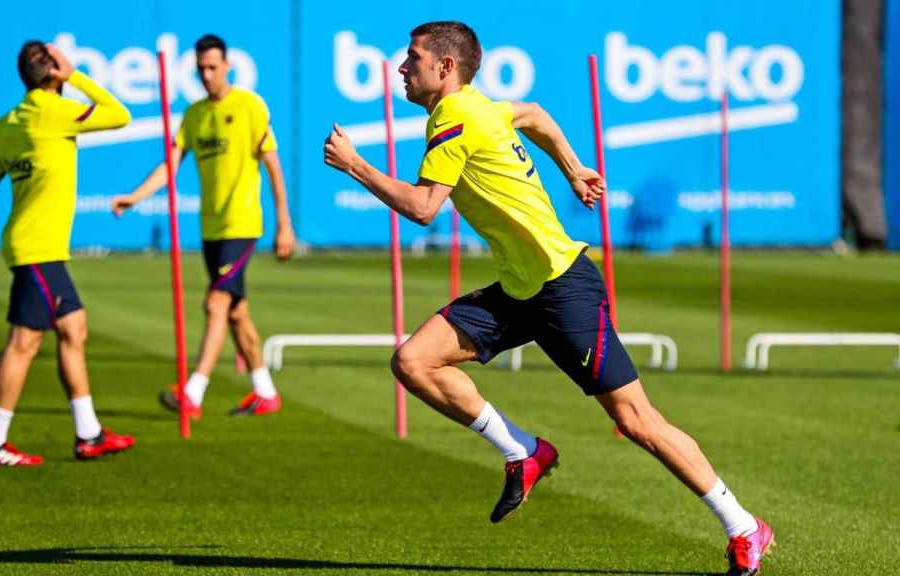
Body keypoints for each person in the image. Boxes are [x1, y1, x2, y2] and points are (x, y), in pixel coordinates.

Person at [323, 21, 774, 576]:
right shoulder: (480, 106)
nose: (401, 67)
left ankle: (743, 525)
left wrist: (356, 166)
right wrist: (573, 168)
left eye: (412, 57)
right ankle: (523, 451)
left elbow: (423, 208)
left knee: (636, 420)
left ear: (445, 67)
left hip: (564, 287)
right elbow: (533, 113)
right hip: (519, 289)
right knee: (414, 361)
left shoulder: (455, 115)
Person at [0, 41, 136, 466]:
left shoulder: (8, 122)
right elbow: (120, 115)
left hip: (29, 245)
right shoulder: (54, 112)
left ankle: (89, 433)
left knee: (74, 328)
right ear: (52, 73)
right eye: (58, 66)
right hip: (39, 249)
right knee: (23, 343)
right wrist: (76, 76)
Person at [111, 34, 295, 418]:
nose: (207, 75)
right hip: (211, 230)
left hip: (242, 224)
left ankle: (193, 391)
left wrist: (284, 224)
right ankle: (265, 392)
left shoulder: (249, 106)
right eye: (201, 69)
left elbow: (273, 166)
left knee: (215, 304)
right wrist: (136, 197)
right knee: (235, 313)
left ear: (228, 66)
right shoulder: (194, 115)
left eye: (213, 67)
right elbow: (171, 164)